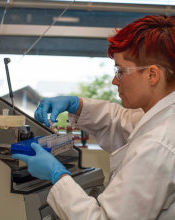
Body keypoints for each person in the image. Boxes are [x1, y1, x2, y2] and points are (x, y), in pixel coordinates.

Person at [12, 15, 175, 219]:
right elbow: (122, 121)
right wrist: (77, 105)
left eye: (120, 71)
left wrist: (58, 176)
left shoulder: (158, 144)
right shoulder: (164, 117)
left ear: (152, 75)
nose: (115, 80)